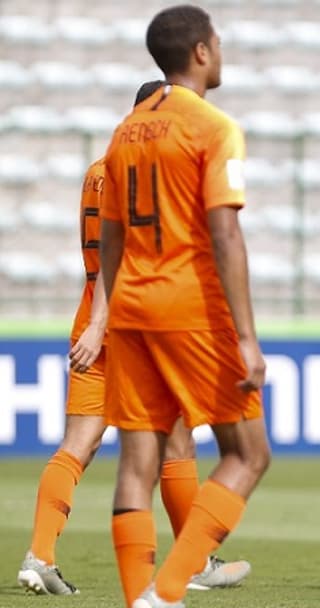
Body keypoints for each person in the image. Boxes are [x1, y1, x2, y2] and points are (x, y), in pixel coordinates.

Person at [16, 80, 251, 598]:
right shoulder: (154, 171)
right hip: (140, 318)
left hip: (91, 312)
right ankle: (194, 562)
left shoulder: (98, 170)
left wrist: (96, 323)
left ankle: (40, 555)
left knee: (78, 443)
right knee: (177, 441)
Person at [98, 6, 270, 608]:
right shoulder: (213, 127)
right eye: (218, 43)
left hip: (130, 309)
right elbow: (225, 233)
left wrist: (105, 311)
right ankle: (166, 592)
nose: (220, 52)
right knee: (248, 453)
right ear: (201, 51)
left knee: (137, 459)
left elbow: (112, 235)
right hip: (190, 307)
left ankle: (134, 599)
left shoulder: (125, 130)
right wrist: (246, 336)